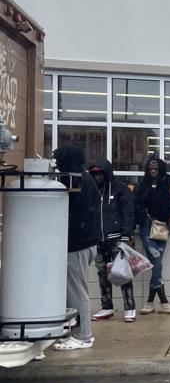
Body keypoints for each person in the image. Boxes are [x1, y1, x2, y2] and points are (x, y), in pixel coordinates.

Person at [52, 146, 100, 351]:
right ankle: (78, 333)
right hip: (86, 242)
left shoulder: (77, 179)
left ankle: (83, 336)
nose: (56, 165)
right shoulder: (84, 178)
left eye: (58, 160)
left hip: (77, 244)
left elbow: (72, 211)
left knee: (77, 291)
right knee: (74, 290)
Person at [88, 160, 137, 323]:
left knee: (122, 273)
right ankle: (106, 307)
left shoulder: (121, 190)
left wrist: (126, 235)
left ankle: (130, 308)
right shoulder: (92, 192)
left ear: (107, 173)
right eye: (94, 174)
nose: (97, 177)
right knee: (102, 273)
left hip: (117, 239)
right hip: (98, 240)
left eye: (100, 173)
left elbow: (129, 213)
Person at [133, 156, 170, 315]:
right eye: (151, 168)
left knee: (157, 263)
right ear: (147, 169)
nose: (153, 170)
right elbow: (136, 206)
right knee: (156, 261)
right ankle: (164, 303)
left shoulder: (166, 182)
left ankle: (150, 303)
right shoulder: (141, 186)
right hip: (147, 227)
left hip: (163, 226)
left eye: (156, 167)